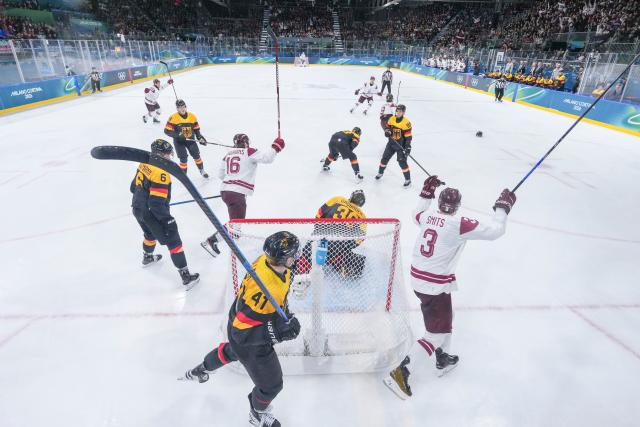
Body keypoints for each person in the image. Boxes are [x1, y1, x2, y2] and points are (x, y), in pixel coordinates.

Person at [383, 176, 516, 399]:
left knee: (446, 318)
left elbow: (416, 212)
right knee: (436, 333)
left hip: (421, 279)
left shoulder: (427, 216)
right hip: (434, 284)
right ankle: (401, 372)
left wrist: (427, 191)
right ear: (456, 206)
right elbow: (495, 231)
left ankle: (443, 358)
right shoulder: (458, 224)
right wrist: (502, 208)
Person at [181, 232, 302, 427]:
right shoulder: (264, 289)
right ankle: (257, 413)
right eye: (293, 255)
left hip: (238, 324)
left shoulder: (266, 260)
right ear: (282, 259)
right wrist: (277, 331)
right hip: (248, 337)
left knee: (233, 350)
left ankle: (202, 368)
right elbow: (241, 332)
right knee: (272, 385)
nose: (296, 258)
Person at [130, 139, 200, 289]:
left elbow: (132, 187)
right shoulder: (161, 173)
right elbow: (156, 204)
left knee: (149, 234)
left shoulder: (144, 163)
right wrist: (168, 220)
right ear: (161, 155)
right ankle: (186, 276)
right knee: (174, 240)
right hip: (151, 213)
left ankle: (147, 257)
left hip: (137, 208)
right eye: (168, 154)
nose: (170, 157)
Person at [202, 133, 286, 257]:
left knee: (236, 221)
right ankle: (212, 241)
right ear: (246, 143)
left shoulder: (227, 155)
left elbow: (220, 175)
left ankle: (234, 233)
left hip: (226, 190)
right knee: (236, 221)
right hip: (236, 192)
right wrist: (276, 147)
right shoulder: (249, 151)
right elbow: (267, 158)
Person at [293, 190, 367, 288]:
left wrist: (319, 228)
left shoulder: (338, 199)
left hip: (321, 235)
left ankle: (300, 271)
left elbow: (319, 213)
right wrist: (344, 247)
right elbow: (359, 239)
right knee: (339, 255)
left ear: (351, 197)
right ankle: (339, 260)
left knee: (305, 259)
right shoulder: (362, 216)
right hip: (339, 245)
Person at [164, 99, 209, 177]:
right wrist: (178, 134)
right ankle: (183, 176)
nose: (182, 109)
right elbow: (167, 131)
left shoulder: (192, 116)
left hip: (190, 140)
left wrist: (199, 137)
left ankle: (202, 170)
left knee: (196, 155)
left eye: (183, 106)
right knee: (183, 158)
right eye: (180, 107)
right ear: (177, 108)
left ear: (186, 107)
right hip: (179, 142)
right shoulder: (173, 117)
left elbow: (196, 129)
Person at [375, 104, 413, 187]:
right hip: (391, 143)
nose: (398, 113)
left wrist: (408, 147)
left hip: (401, 146)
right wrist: (387, 131)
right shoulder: (392, 118)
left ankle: (408, 179)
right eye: (397, 111)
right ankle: (380, 173)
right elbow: (387, 127)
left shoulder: (406, 123)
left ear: (403, 112)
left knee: (402, 162)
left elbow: (408, 137)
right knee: (384, 158)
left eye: (400, 111)